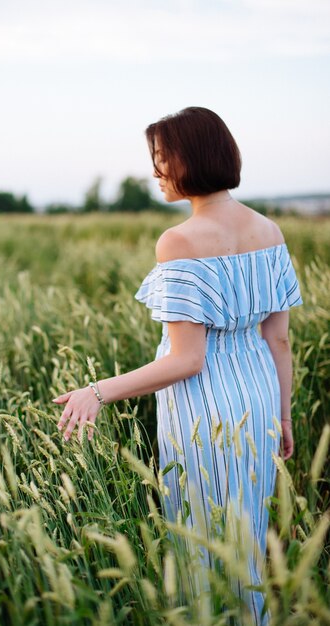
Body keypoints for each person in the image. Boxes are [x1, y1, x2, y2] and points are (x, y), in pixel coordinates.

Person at [52, 106, 303, 624]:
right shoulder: (270, 231)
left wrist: (96, 391)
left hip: (205, 410)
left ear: (191, 159)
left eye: (161, 158)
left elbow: (189, 361)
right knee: (246, 536)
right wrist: (284, 416)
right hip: (256, 399)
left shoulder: (180, 241)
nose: (155, 171)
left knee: (203, 541)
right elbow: (278, 341)